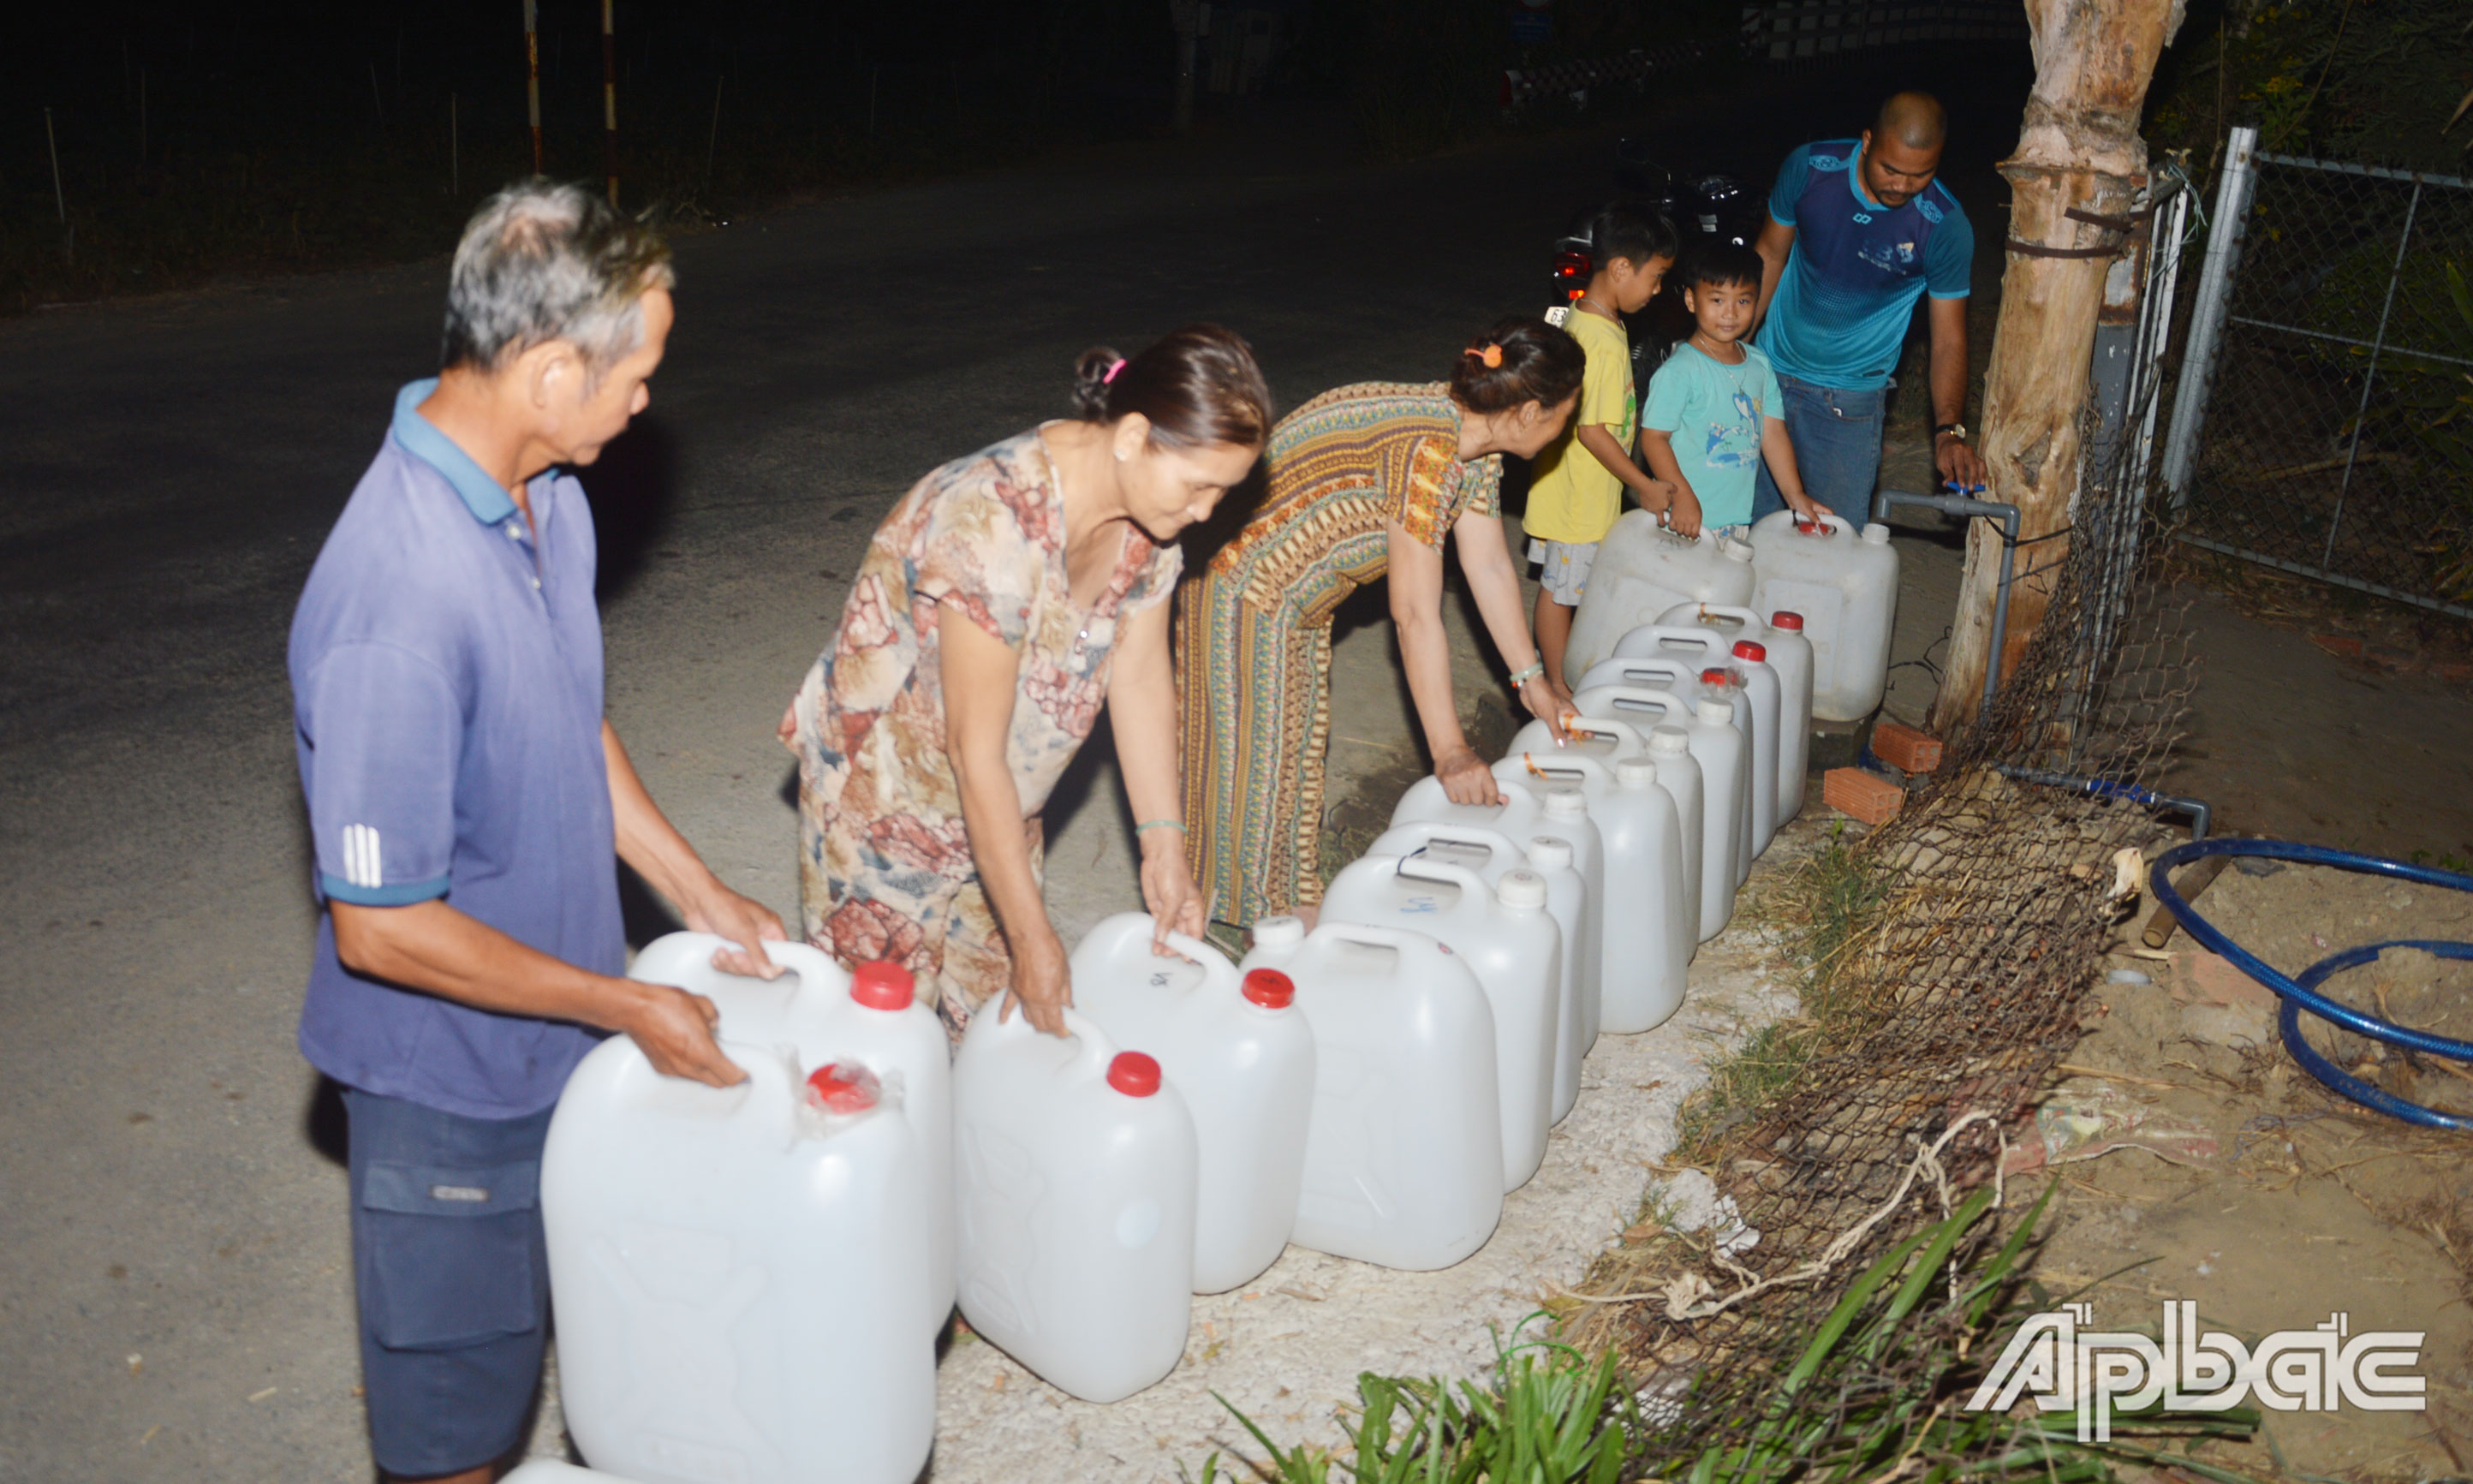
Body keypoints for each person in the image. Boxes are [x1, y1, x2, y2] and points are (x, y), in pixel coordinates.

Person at [288, 182, 784, 1484]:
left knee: (584, 1337)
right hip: (450, 1089)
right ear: (553, 369)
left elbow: (568, 717)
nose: (644, 404)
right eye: (637, 377)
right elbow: (384, 929)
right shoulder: (394, 605)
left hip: (552, 1042)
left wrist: (697, 889)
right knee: (460, 1430)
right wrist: (622, 1009)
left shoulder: (539, 491)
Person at [784, 327, 1271, 1038]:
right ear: (1134, 435)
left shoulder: (1147, 526)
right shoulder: (997, 519)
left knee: (998, 1032)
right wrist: (1034, 937)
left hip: (1003, 815)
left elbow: (1138, 679)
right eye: (1200, 486)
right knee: (881, 1051)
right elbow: (970, 749)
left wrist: (1164, 844)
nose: (1204, 513)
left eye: (1221, 493)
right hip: (885, 814)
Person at [1179, 318, 1588, 933]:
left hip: (1292, 599)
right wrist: (1449, 751)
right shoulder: (1429, 450)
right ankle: (1230, 924)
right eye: (1566, 416)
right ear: (1531, 411)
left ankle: (1283, 908)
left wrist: (1532, 682)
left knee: (1290, 752)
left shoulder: (1471, 439)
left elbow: (1489, 566)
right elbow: (1415, 613)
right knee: (1249, 768)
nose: (1569, 430)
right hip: (1244, 583)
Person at [1750, 90, 1989, 526]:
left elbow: (1949, 341)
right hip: (1767, 372)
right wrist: (1731, 350)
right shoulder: (1809, 170)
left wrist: (1948, 431)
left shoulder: (1944, 227)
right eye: (1890, 169)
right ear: (1866, 141)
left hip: (1849, 402)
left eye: (1921, 175)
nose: (1902, 186)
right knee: (1746, 530)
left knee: (1830, 538)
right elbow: (1769, 256)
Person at [1525, 202, 1681, 688]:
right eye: (1655, 278)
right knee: (1560, 594)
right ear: (1619, 269)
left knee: (1565, 588)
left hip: (1575, 489)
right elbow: (1593, 432)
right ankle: (1558, 684)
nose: (1657, 291)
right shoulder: (1604, 344)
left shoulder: (1587, 317)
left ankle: (1562, 675)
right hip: (1580, 499)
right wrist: (1644, 485)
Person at [1641, 241, 1826, 540]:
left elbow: (1773, 433)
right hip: (1683, 518)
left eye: (1743, 301)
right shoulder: (1680, 371)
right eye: (1717, 300)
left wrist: (1795, 495)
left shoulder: (1759, 365)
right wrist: (1683, 496)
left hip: (1736, 520)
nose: (1730, 313)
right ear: (1691, 300)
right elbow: (1653, 438)